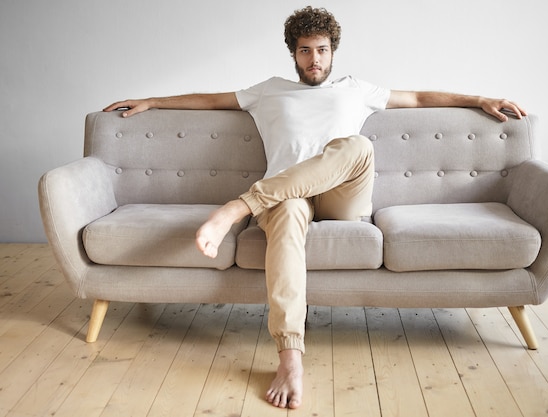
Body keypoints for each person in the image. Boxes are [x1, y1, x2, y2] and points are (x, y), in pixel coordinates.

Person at [104, 6, 526, 409]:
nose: (314, 59)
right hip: (286, 198)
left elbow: (416, 96)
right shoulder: (267, 91)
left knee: (356, 145)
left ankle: (236, 208)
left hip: (344, 196)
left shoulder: (357, 90)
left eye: (321, 50)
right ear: (293, 53)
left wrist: (479, 98)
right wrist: (153, 101)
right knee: (287, 211)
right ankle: (290, 358)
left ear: (332, 51)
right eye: (305, 50)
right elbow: (211, 100)